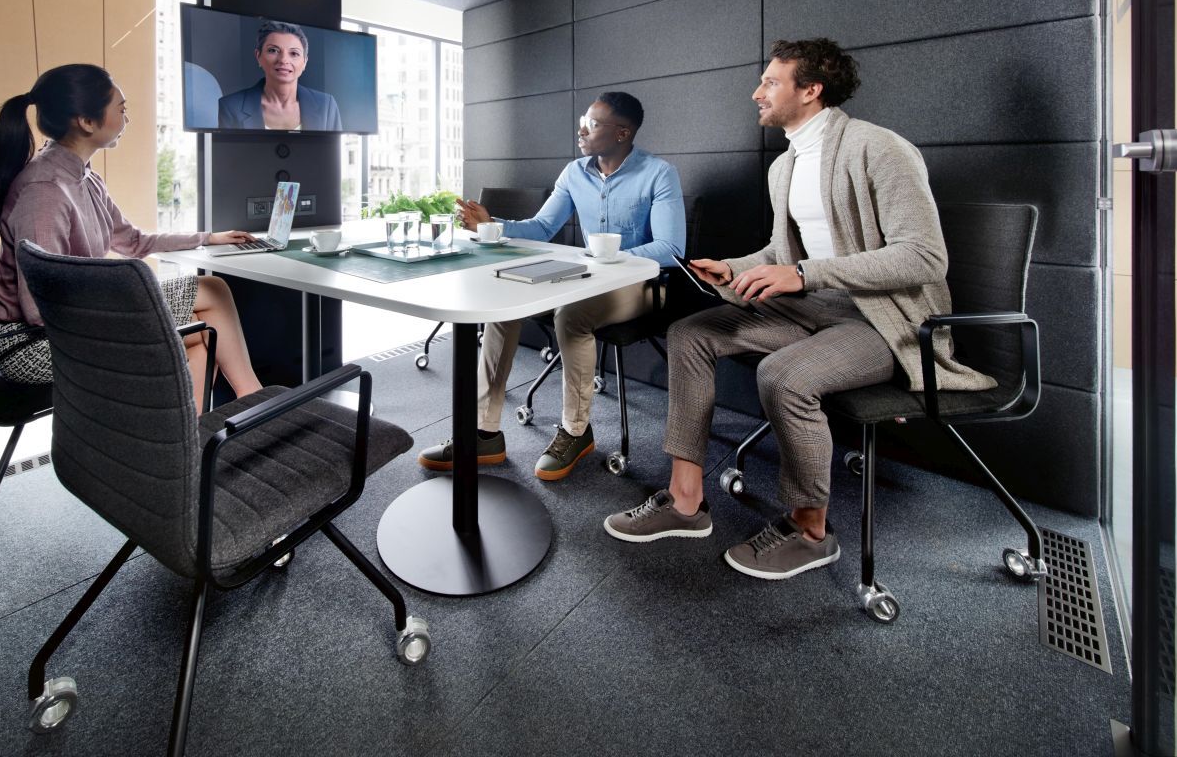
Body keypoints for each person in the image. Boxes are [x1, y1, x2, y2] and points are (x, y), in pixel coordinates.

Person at [603, 38, 993, 580]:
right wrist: (734, 268)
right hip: (812, 309)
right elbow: (782, 253)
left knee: (783, 376)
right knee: (690, 334)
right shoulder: (784, 166)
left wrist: (806, 275)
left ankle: (811, 532)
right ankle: (685, 501)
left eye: (770, 82)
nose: (756, 92)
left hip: (884, 322)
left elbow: (924, 257)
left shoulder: (880, 149)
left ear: (811, 90)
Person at [417, 91, 685, 481]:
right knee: (504, 304)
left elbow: (671, 248)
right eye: (583, 121)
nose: (581, 130)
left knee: (572, 315)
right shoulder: (575, 172)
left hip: (642, 285)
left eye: (592, 123)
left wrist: (605, 256)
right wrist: (492, 225)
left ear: (622, 132)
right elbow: (542, 228)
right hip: (588, 278)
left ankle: (576, 432)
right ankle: (483, 433)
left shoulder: (659, 174)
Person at [0, 63, 264, 408]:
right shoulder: (45, 191)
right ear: (87, 121)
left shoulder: (84, 177)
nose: (128, 118)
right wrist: (125, 301)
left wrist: (208, 238)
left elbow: (134, 241)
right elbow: (39, 309)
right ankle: (252, 399)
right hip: (35, 345)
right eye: (121, 109)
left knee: (204, 322)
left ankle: (205, 426)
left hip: (70, 322)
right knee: (209, 301)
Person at [216, 19, 343, 131]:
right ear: (258, 56)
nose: (283, 60)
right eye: (273, 50)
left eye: (294, 53)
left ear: (305, 62)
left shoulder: (326, 105)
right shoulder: (231, 107)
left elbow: (334, 151)